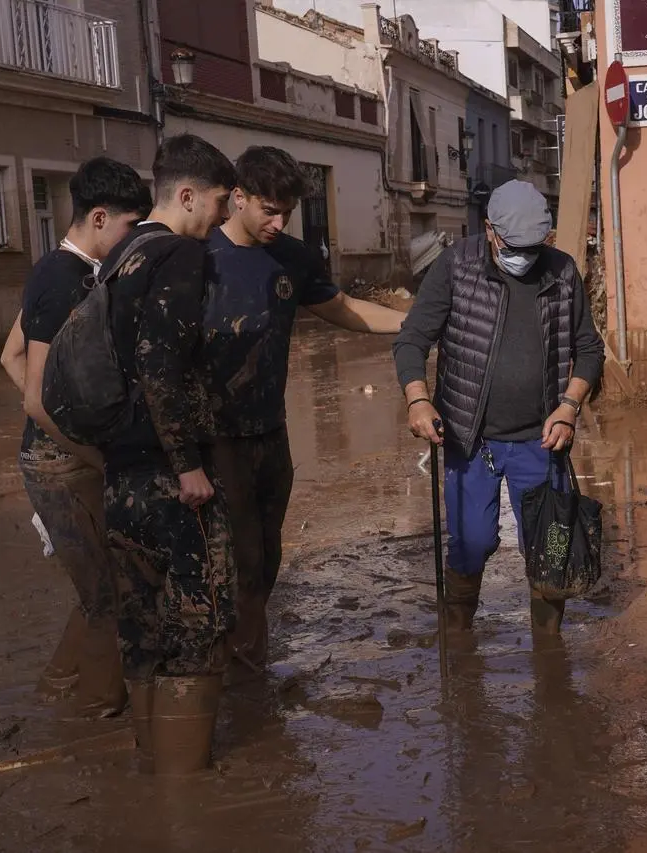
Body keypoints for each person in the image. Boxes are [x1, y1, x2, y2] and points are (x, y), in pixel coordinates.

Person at [205, 146, 407, 669]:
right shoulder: (197, 255)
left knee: (268, 552)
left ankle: (247, 655)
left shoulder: (293, 257)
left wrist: (412, 325)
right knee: (236, 555)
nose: (278, 222)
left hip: (271, 429)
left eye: (287, 213)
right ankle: (232, 663)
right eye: (268, 210)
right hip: (213, 434)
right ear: (238, 198)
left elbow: (340, 309)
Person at [393, 180, 605, 635]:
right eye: (515, 247)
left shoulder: (562, 272)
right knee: (471, 544)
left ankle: (549, 657)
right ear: (490, 230)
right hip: (471, 440)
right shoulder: (456, 267)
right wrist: (417, 400)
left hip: (540, 439)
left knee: (549, 547)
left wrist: (569, 406)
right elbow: (412, 339)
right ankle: (459, 637)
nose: (525, 257)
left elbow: (589, 350)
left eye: (535, 247)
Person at [99, 134, 236, 775]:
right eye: (217, 203)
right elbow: (162, 363)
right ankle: (187, 798)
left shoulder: (120, 254)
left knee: (142, 624)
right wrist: (187, 465)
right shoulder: (180, 254)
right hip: (167, 474)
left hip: (119, 473)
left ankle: (151, 776)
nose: (220, 219)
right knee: (199, 620)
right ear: (186, 196)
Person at [0, 157, 152, 717]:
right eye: (129, 228)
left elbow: (9, 355)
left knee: (100, 582)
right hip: (62, 466)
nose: (133, 240)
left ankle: (61, 683)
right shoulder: (66, 281)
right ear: (98, 216)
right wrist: (98, 456)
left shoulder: (56, 270)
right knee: (108, 594)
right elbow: (36, 399)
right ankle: (94, 711)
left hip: (60, 455)